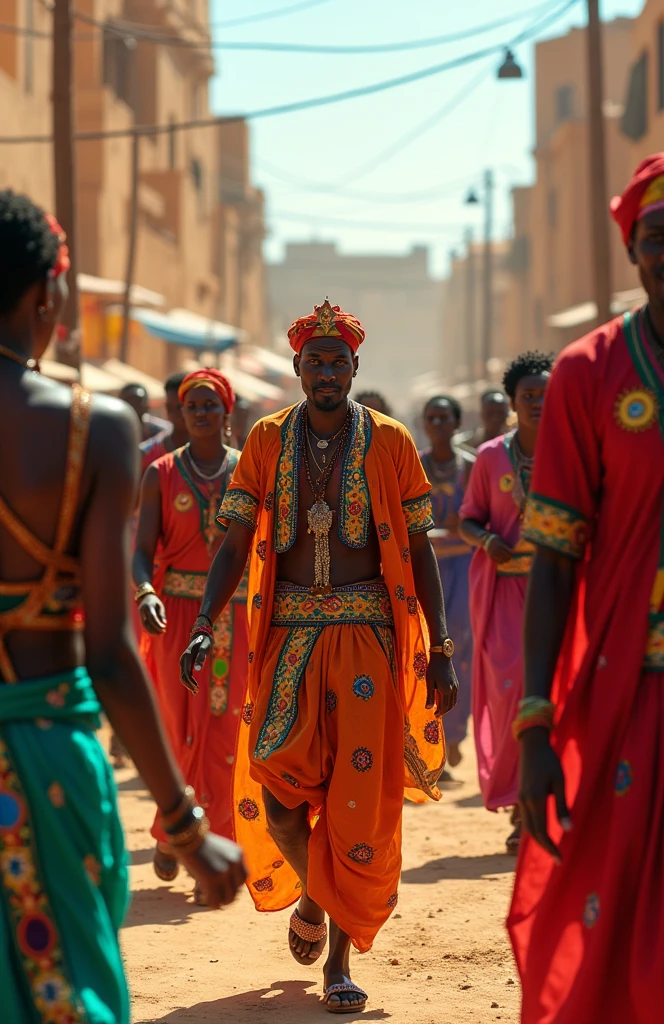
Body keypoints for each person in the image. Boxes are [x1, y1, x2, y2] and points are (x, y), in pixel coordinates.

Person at [0, 189, 245, 1022]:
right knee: (66, 987)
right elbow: (107, 654)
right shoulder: (91, 429)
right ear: (45, 294)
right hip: (44, 759)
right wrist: (184, 828)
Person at [180, 299, 457, 1013]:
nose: (327, 371)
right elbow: (235, 541)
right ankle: (313, 890)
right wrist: (207, 620)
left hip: (369, 636)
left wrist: (443, 647)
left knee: (355, 808)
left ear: (355, 368)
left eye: (339, 361)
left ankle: (337, 960)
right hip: (289, 640)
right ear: (300, 367)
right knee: (277, 801)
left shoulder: (393, 442)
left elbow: (420, 549)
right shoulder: (269, 441)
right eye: (315, 361)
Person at [508, 153, 664, 1022]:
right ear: (632, 248)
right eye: (659, 234)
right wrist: (534, 724)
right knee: (618, 930)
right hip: (631, 699)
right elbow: (554, 556)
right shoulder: (589, 372)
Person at [133, 367, 248, 903]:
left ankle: (213, 848)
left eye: (211, 404)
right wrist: (145, 592)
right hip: (175, 614)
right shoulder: (159, 473)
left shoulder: (251, 470)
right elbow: (140, 551)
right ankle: (172, 828)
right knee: (176, 728)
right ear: (180, 413)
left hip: (235, 615)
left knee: (226, 732)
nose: (201, 413)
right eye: (191, 405)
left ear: (228, 412)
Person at [459, 352, 553, 853]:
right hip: (505, 595)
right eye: (528, 396)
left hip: (558, 591)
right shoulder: (492, 457)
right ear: (513, 402)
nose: (538, 403)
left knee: (559, 691)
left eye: (545, 395)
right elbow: (467, 519)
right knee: (509, 691)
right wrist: (488, 540)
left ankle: (548, 804)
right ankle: (519, 805)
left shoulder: (572, 449)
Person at [419, 395, 475, 773]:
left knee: (459, 648)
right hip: (427, 566)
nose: (439, 424)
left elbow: (477, 518)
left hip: (464, 566)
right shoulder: (416, 464)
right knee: (424, 650)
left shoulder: (470, 467)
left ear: (456, 423)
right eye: (432, 418)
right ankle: (431, 738)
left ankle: (454, 733)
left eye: (445, 417)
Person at [139, 370, 190, 472]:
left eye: (180, 407)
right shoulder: (146, 453)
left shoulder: (211, 454)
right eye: (169, 407)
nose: (175, 414)